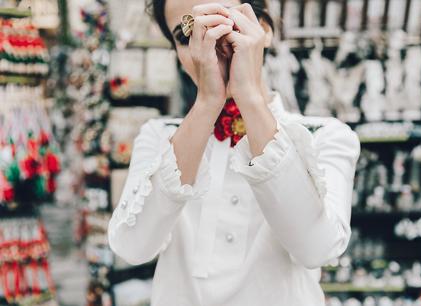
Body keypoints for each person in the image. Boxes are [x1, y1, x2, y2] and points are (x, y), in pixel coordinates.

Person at [107, 1, 361, 305]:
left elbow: (317, 248)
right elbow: (133, 246)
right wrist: (206, 103)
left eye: (221, 24)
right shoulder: (159, 136)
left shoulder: (323, 136)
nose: (208, 45)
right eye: (187, 35)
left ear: (263, 30)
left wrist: (250, 97)